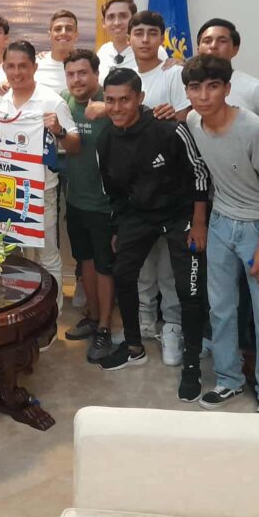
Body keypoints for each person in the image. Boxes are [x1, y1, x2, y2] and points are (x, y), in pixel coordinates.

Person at [96, 67, 209, 403]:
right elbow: (114, 191)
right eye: (110, 100)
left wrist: (199, 222)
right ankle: (134, 346)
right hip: (138, 216)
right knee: (122, 273)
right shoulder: (106, 139)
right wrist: (118, 227)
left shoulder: (169, 128)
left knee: (189, 288)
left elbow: (200, 174)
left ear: (140, 98)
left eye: (125, 100)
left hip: (181, 215)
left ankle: (192, 362)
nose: (117, 107)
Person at [183, 54, 259, 413]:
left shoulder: (254, 130)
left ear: (227, 89)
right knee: (221, 310)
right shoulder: (194, 121)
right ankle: (229, 379)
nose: (204, 95)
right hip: (220, 223)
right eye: (195, 87)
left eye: (213, 86)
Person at [0, 41, 79, 326]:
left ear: (34, 67)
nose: (17, 72)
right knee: (14, 254)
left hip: (41, 190)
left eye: (23, 66)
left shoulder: (52, 101)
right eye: (11, 66)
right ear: (4, 67)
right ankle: (20, 315)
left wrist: (59, 130)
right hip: (6, 191)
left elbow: (75, 144)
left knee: (46, 254)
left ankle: (50, 318)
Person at [126, 10, 193, 367]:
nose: (145, 39)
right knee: (142, 265)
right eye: (138, 32)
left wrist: (174, 115)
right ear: (129, 38)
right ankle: (143, 322)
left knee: (169, 268)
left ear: (161, 37)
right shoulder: (123, 72)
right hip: (135, 186)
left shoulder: (174, 73)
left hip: (170, 186)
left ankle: (173, 327)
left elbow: (190, 116)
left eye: (152, 33)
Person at [60, 49, 116, 362]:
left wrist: (108, 108)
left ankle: (105, 328)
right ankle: (93, 317)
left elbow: (142, 112)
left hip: (106, 203)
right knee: (86, 263)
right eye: (71, 74)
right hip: (76, 199)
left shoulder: (112, 99)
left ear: (96, 74)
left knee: (105, 267)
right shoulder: (63, 101)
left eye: (83, 73)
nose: (77, 79)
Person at [196, 18, 259, 119]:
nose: (213, 46)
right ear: (198, 50)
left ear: (235, 49)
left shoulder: (255, 88)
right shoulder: (189, 88)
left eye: (222, 41)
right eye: (207, 41)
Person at [34, 10, 79, 94]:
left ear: (76, 35)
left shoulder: (85, 66)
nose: (63, 33)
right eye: (58, 29)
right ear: (49, 34)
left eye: (69, 29)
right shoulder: (35, 64)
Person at [96, 0, 136, 80]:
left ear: (134, 19)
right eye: (111, 17)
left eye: (123, 16)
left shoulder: (152, 52)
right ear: (104, 23)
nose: (117, 23)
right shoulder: (103, 52)